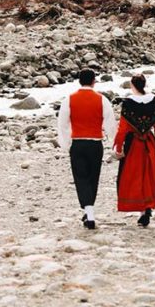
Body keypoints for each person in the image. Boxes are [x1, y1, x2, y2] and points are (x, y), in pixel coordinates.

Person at [57, 67, 116, 230]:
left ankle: (88, 212)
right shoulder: (102, 99)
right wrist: (114, 142)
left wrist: (66, 144)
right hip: (95, 143)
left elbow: (62, 124)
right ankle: (89, 210)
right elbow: (110, 123)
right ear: (93, 82)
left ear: (79, 81)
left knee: (80, 178)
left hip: (78, 143)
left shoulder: (69, 99)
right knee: (93, 177)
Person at [114, 75, 155, 227]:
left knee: (135, 177)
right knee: (149, 175)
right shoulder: (153, 101)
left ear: (132, 85)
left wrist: (118, 147)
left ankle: (143, 209)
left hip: (133, 144)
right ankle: (147, 209)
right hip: (149, 142)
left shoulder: (128, 103)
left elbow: (123, 128)